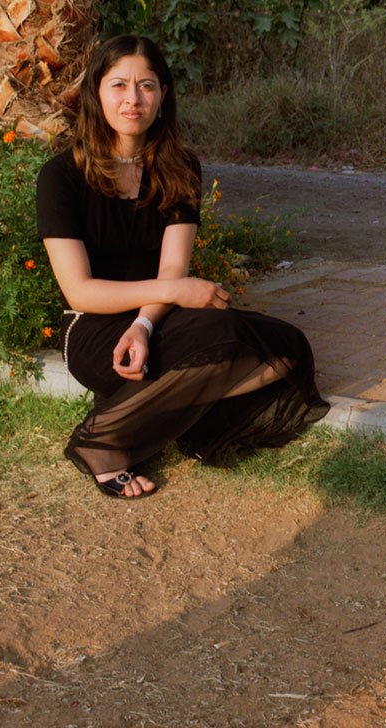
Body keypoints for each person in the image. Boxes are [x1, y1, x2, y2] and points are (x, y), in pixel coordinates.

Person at [37, 35, 328, 498]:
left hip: (160, 320)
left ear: (163, 95)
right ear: (96, 92)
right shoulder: (61, 177)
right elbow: (80, 291)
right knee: (218, 341)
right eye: (119, 85)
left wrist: (145, 327)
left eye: (147, 86)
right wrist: (173, 296)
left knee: (285, 349)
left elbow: (174, 268)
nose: (133, 99)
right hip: (93, 327)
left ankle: (141, 410)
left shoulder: (179, 167)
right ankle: (102, 443)